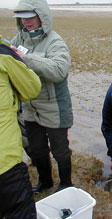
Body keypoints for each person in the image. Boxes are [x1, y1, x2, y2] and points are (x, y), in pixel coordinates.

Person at [11, 0, 73, 192]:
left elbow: (59, 70)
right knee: (37, 149)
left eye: (30, 17)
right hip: (30, 108)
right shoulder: (17, 40)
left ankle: (65, 184)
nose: (26, 22)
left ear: (42, 16)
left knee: (60, 150)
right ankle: (45, 182)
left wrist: (26, 59)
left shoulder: (55, 41)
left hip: (55, 106)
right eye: (22, 18)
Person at [0, 35, 41, 219]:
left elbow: (59, 69)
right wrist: (20, 60)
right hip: (5, 163)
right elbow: (32, 88)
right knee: (22, 217)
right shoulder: (4, 54)